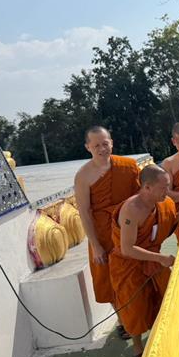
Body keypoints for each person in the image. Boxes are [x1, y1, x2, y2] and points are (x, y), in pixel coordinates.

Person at [74, 126, 140, 340]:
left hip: (128, 228)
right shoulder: (83, 176)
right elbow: (84, 211)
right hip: (101, 234)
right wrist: (95, 245)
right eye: (96, 146)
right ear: (88, 148)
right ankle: (123, 320)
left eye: (105, 143)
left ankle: (140, 314)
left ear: (111, 142)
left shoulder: (128, 166)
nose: (102, 149)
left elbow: (140, 198)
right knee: (109, 280)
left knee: (134, 274)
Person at [109, 165, 178, 357]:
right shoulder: (132, 209)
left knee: (165, 296)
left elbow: (164, 227)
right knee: (135, 309)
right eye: (163, 187)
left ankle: (161, 338)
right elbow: (127, 249)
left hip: (153, 259)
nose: (168, 190)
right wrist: (160, 259)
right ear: (147, 187)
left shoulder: (163, 203)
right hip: (129, 265)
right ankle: (138, 349)